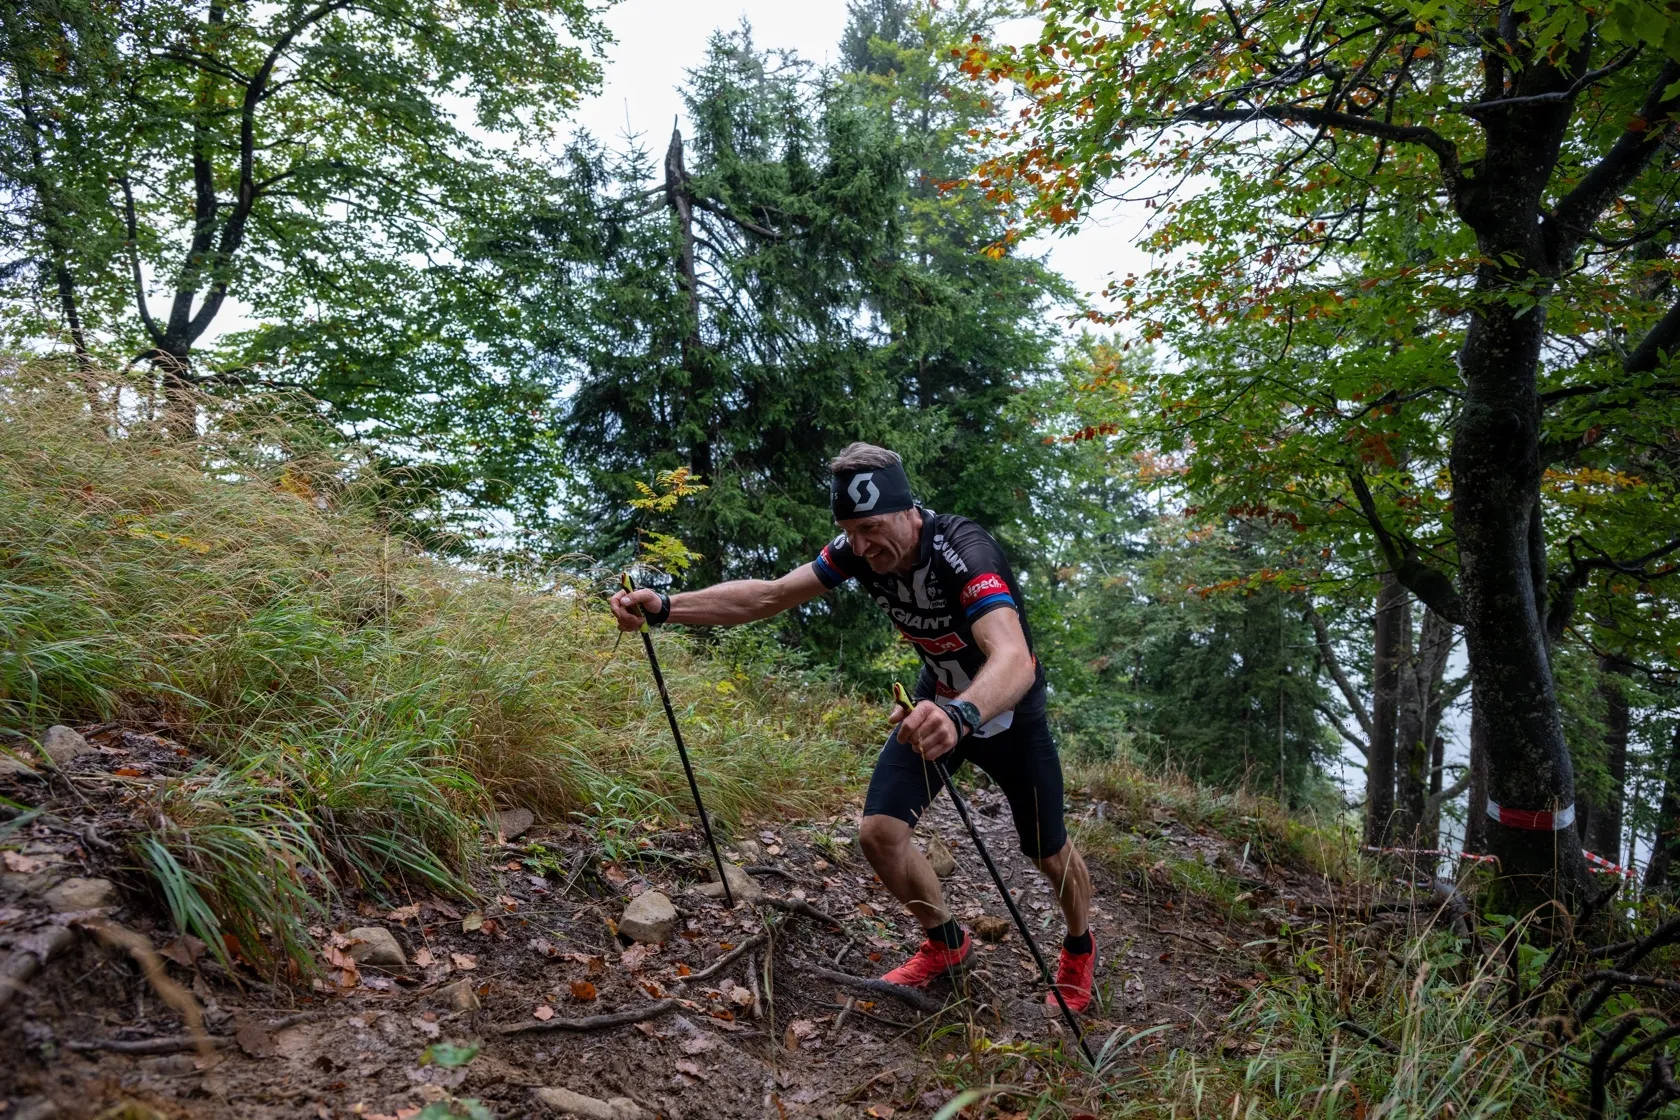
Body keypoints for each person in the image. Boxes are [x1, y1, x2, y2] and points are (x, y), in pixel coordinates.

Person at [609, 442, 1097, 1012]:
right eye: (849, 531)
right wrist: (666, 607)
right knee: (880, 835)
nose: (862, 547)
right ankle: (946, 945)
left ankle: (1079, 947)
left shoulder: (965, 551)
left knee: (1047, 852)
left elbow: (1013, 658)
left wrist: (963, 714)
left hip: (1006, 716)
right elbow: (770, 596)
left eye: (870, 528)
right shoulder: (857, 551)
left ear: (906, 508)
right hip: (934, 704)